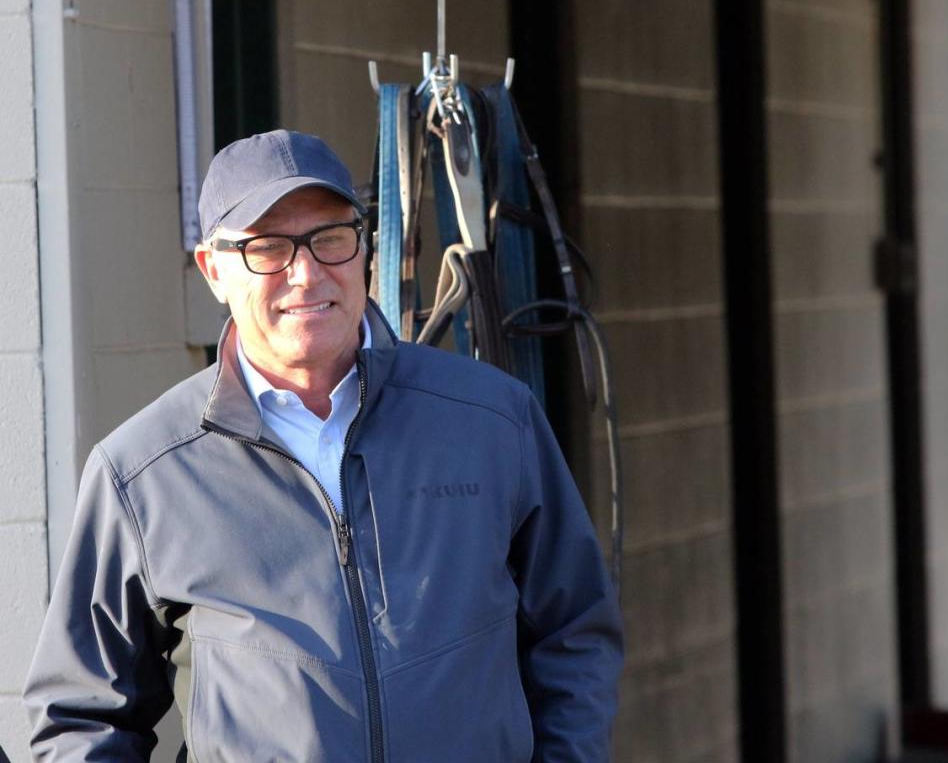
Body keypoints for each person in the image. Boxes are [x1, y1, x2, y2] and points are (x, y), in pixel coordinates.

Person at [23, 130, 623, 762]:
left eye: (330, 239)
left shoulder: (492, 420)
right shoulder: (144, 473)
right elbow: (82, 717)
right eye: (268, 248)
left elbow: (575, 630)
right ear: (213, 270)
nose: (306, 275)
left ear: (364, 248)